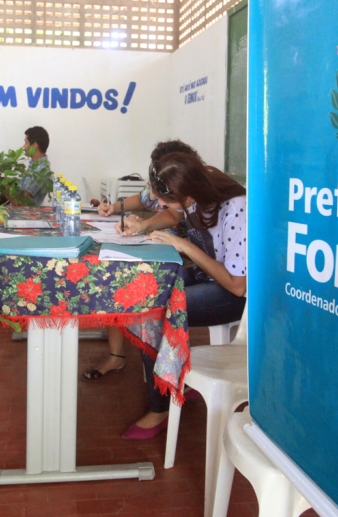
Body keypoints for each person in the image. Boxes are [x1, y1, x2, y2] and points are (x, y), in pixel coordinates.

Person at [121, 152, 247, 439]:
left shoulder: (235, 208)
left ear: (187, 193)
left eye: (167, 200)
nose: (162, 206)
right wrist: (144, 226)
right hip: (208, 276)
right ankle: (175, 378)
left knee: (153, 310)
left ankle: (160, 406)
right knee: (144, 291)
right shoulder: (196, 195)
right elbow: (173, 214)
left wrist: (184, 246)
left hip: (231, 293)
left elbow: (237, 285)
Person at [82, 139, 200, 380]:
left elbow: (173, 216)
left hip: (181, 254)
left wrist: (144, 225)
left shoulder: (187, 184)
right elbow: (144, 198)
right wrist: (115, 207)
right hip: (158, 242)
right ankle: (118, 356)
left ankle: (163, 375)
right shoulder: (160, 179)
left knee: (135, 283)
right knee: (116, 274)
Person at [19, 126, 52, 206]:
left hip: (22, 216)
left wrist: (4, 187)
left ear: (34, 145)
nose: (24, 146)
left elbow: (21, 203)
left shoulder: (40, 170)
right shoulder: (35, 166)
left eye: (26, 143)